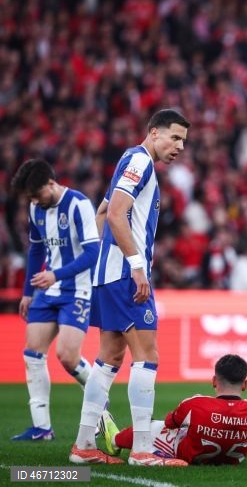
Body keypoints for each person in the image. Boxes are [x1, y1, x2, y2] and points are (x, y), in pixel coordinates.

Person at [69, 108, 191, 467]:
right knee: (147, 355)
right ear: (153, 132)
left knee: (108, 358)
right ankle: (141, 451)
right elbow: (118, 212)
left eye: (183, 140)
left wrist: (103, 261)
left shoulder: (129, 159)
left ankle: (83, 445)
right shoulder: (140, 162)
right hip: (126, 274)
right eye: (175, 137)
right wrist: (136, 265)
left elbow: (103, 213)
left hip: (111, 273)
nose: (180, 146)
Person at [10, 159, 99, 441]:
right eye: (30, 197)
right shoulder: (37, 208)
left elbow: (92, 253)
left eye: (37, 194)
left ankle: (99, 396)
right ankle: (42, 428)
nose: (34, 200)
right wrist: (27, 291)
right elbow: (35, 251)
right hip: (47, 291)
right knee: (32, 353)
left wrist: (56, 275)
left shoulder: (79, 205)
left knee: (67, 356)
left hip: (77, 289)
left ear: (51, 183)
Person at [98, 354, 247, 465]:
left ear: (214, 381)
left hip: (189, 456)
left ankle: (114, 440)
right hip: (231, 460)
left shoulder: (195, 403)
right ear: (245, 384)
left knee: (154, 426)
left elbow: (170, 423)